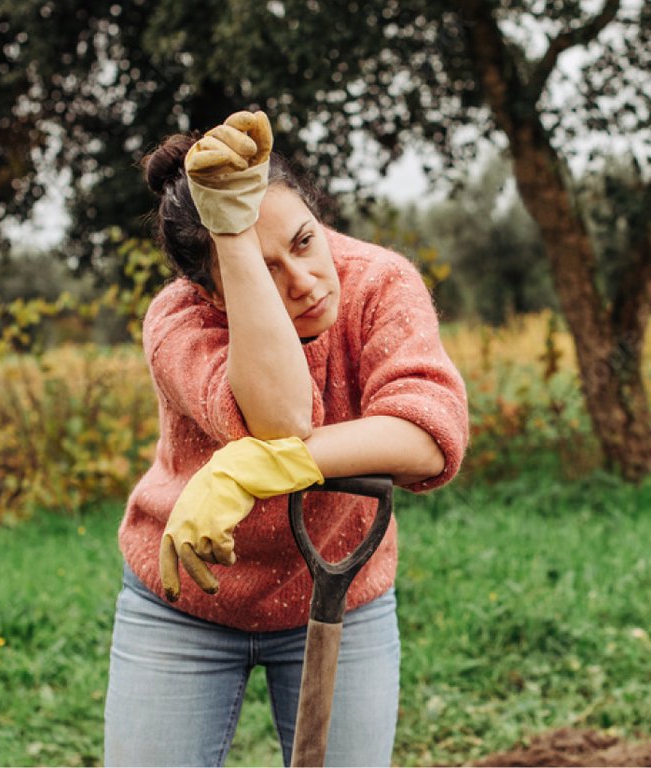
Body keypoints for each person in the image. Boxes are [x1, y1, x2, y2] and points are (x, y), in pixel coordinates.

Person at [103, 110, 469, 767]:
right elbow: (278, 417)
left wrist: (257, 467)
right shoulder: (178, 319)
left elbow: (428, 434)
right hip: (185, 606)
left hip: (340, 598)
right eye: (262, 268)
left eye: (304, 241)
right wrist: (233, 239)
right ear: (210, 290)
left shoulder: (379, 282)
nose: (304, 283)